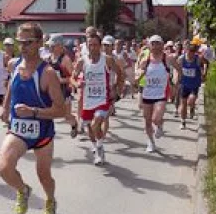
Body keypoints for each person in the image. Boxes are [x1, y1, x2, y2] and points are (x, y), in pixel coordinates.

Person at [0, 23, 67, 214]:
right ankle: (23, 190)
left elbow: (61, 109)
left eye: (28, 42)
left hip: (42, 132)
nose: (23, 47)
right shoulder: (13, 65)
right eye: (20, 42)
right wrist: (5, 105)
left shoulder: (48, 73)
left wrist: (33, 112)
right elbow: (12, 83)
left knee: (43, 176)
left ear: (39, 43)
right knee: (4, 168)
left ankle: (50, 200)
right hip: (19, 129)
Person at [72, 32, 124, 165]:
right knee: (90, 128)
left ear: (100, 46)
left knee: (96, 124)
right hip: (88, 99)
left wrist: (116, 89)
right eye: (90, 45)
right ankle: (96, 147)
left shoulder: (107, 59)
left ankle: (100, 148)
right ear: (87, 46)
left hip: (102, 99)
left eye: (95, 45)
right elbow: (72, 77)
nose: (93, 47)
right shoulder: (82, 61)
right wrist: (77, 83)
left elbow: (119, 73)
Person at [136, 34, 181, 152]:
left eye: (158, 43)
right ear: (149, 46)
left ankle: (159, 124)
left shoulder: (167, 59)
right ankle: (150, 142)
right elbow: (139, 74)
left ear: (162, 45)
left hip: (161, 94)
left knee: (156, 118)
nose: (155, 46)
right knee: (147, 120)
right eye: (153, 43)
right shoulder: (145, 61)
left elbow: (179, 69)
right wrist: (137, 77)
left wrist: (176, 82)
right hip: (147, 93)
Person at [48, 34, 80, 138]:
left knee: (66, 116)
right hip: (51, 91)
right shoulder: (49, 58)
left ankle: (74, 124)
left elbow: (72, 78)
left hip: (63, 91)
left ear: (60, 46)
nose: (50, 48)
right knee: (47, 113)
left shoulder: (65, 59)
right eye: (50, 45)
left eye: (53, 46)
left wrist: (60, 80)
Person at [177, 40, 204, 128]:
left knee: (190, 101)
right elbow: (178, 69)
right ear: (186, 50)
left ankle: (192, 108)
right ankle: (183, 121)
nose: (191, 53)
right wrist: (177, 79)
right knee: (183, 103)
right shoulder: (181, 59)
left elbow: (205, 64)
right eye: (189, 51)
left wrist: (203, 73)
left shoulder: (198, 59)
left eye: (193, 51)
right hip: (184, 84)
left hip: (194, 84)